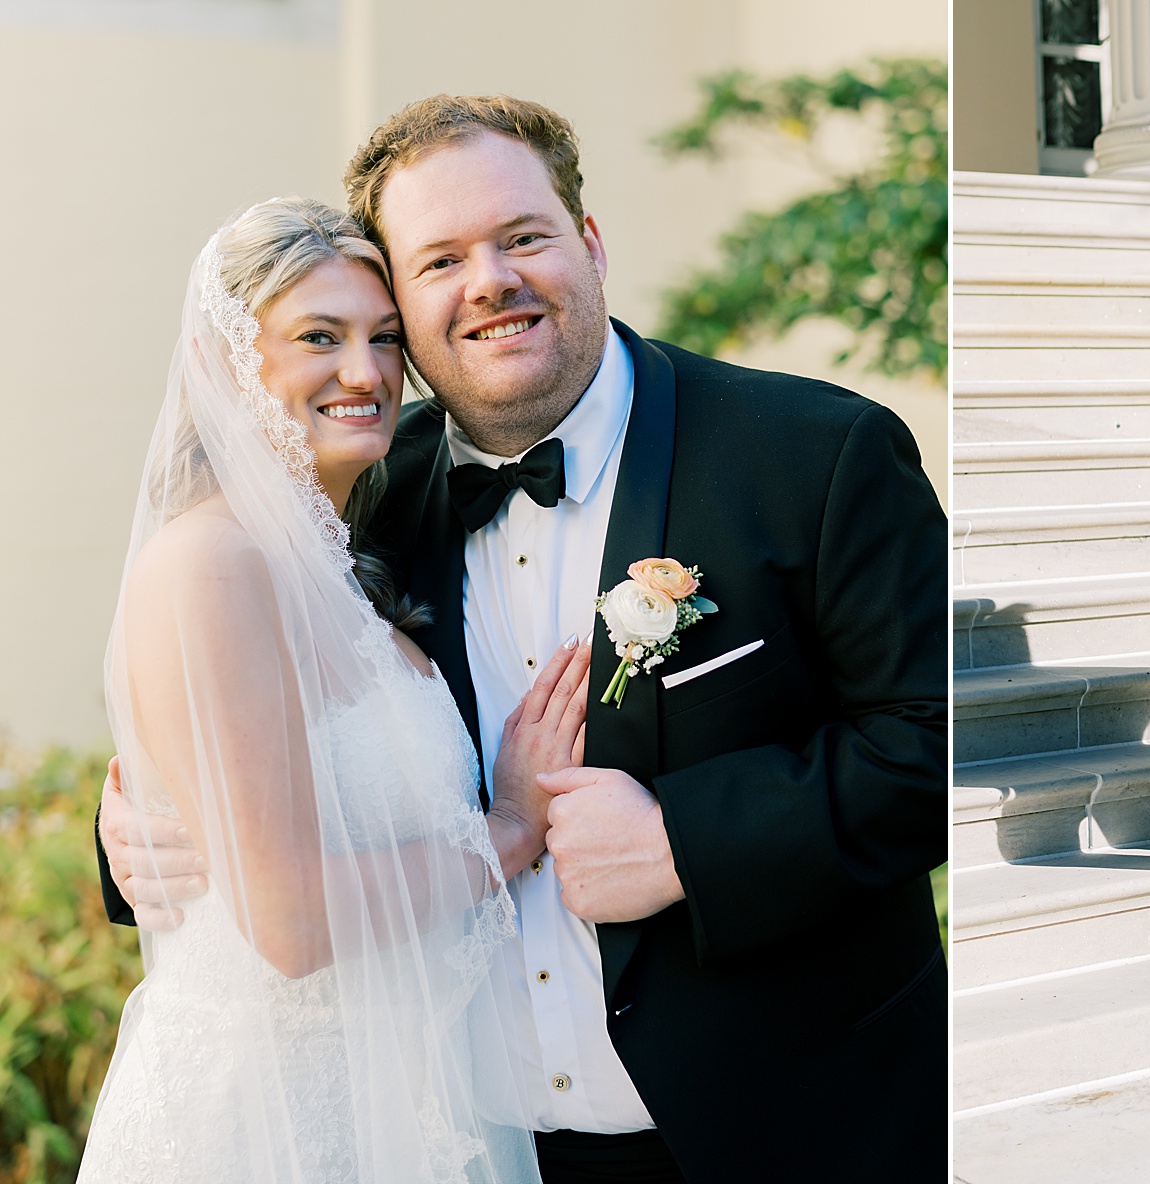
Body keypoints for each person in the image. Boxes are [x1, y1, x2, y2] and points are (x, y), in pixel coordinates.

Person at [98, 95, 948, 1183]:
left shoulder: (813, 456)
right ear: (402, 296)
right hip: (474, 1141)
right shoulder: (359, 489)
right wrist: (133, 827)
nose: (488, 280)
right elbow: (244, 715)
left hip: (779, 1129)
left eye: (523, 237)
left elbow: (935, 739)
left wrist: (689, 840)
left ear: (589, 245)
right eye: (439, 259)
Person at [80, 198, 572, 1182]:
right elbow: (289, 922)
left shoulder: (342, 561)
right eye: (320, 336)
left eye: (385, 337)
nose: (368, 372)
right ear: (223, 362)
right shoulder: (210, 564)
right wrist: (511, 829)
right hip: (262, 1129)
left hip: (411, 1106)